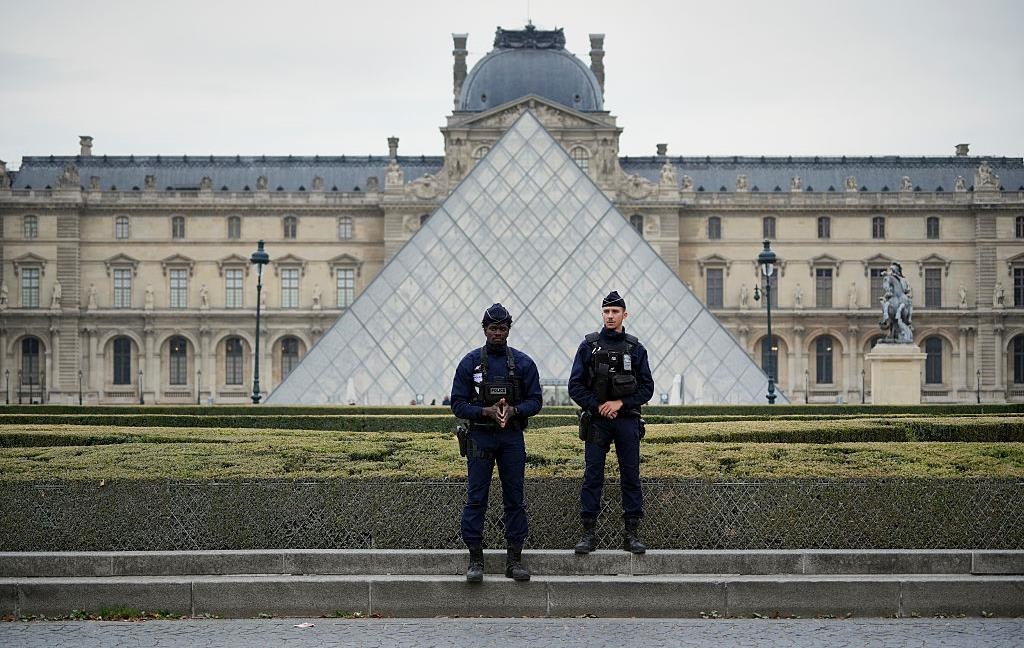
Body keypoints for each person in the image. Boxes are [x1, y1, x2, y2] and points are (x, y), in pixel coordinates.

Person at [450, 303, 542, 582]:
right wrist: (484, 412)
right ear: (485, 329)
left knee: (515, 499)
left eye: (502, 329)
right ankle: (475, 559)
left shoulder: (524, 363)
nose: (497, 333)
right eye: (493, 329)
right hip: (480, 435)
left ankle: (514, 559)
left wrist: (514, 410)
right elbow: (457, 404)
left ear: (508, 330)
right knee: (476, 499)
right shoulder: (469, 363)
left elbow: (536, 401)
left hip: (511, 437)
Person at [568, 291, 655, 555]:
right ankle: (587, 534)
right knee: (592, 476)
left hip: (627, 420)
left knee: (631, 476)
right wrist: (598, 406)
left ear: (624, 314)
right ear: (601, 313)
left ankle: (632, 534)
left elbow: (647, 389)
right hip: (597, 421)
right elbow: (575, 386)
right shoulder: (588, 347)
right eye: (606, 311)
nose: (610, 316)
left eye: (615, 312)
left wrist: (620, 404)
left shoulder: (636, 348)